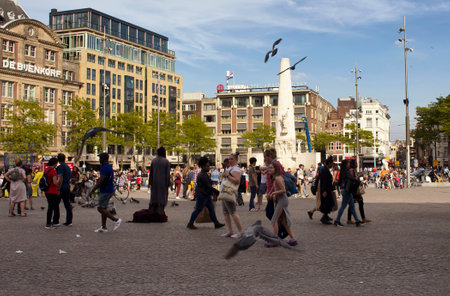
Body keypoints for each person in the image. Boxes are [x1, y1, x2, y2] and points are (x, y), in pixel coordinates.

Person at [187, 157, 225, 229]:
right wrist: (216, 192)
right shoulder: (202, 175)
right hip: (202, 195)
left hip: (205, 194)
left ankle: (216, 223)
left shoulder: (204, 174)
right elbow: (207, 186)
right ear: (203, 166)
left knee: (211, 209)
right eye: (207, 166)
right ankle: (190, 223)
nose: (209, 167)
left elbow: (208, 185)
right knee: (198, 209)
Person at [266, 162, 297, 247]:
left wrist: (273, 193)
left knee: (274, 220)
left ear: (275, 169)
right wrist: (270, 193)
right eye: (269, 168)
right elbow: (274, 186)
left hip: (282, 201)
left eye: (271, 168)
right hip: (281, 200)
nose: (269, 169)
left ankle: (275, 240)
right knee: (283, 221)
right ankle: (293, 239)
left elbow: (283, 190)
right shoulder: (276, 178)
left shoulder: (278, 178)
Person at [91, 153, 122, 232]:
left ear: (103, 159)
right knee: (104, 208)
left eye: (100, 158)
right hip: (109, 189)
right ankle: (103, 227)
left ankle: (116, 220)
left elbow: (101, 181)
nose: (99, 160)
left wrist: (93, 190)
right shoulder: (108, 167)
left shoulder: (104, 168)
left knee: (100, 208)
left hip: (105, 190)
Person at [334, 159, 364, 227]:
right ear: (346, 164)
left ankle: (357, 221)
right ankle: (337, 220)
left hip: (347, 190)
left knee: (352, 206)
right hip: (346, 190)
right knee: (343, 206)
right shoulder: (345, 171)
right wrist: (358, 182)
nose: (349, 164)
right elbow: (351, 177)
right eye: (348, 163)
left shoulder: (343, 171)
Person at [220, 152, 244, 238]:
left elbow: (237, 180)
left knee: (233, 212)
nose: (230, 160)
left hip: (230, 192)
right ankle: (230, 231)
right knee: (226, 212)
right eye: (229, 158)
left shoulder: (236, 169)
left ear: (236, 160)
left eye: (231, 159)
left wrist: (228, 175)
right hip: (226, 192)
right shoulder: (231, 168)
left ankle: (241, 231)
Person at [149, 147, 171, 221]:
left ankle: (153, 213)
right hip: (163, 183)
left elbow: (151, 173)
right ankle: (160, 214)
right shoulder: (166, 162)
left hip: (154, 183)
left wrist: (150, 182)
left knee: (154, 198)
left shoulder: (153, 161)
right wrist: (168, 183)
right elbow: (167, 174)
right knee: (162, 199)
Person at [347, 159, 371, 224]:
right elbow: (353, 179)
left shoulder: (353, 170)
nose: (357, 165)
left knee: (353, 204)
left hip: (354, 189)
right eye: (355, 163)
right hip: (354, 189)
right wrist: (358, 178)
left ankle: (350, 219)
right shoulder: (351, 170)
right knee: (358, 202)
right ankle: (362, 218)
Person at [56, 154, 73, 226]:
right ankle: (69, 220)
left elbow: (60, 178)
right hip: (67, 186)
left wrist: (58, 188)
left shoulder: (60, 167)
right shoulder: (67, 167)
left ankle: (56, 220)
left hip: (62, 186)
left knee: (56, 204)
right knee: (67, 204)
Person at [318, 156, 335, 225]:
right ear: (329, 163)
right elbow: (324, 181)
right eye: (332, 163)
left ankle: (326, 216)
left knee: (328, 203)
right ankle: (324, 218)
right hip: (326, 190)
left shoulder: (326, 169)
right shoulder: (325, 170)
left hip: (327, 189)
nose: (332, 165)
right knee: (326, 203)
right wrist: (324, 190)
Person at [43, 158, 60, 229]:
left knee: (50, 206)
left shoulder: (46, 170)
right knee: (51, 207)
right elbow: (55, 182)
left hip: (47, 191)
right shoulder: (53, 171)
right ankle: (49, 223)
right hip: (52, 190)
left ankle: (49, 222)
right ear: (54, 163)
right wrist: (59, 179)